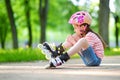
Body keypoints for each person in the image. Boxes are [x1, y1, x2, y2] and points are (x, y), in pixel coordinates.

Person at [42, 11, 106, 68]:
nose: (74, 30)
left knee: (82, 41)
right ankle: (56, 52)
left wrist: (73, 41)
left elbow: (82, 52)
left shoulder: (90, 35)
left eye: (75, 27)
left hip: (95, 61)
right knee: (74, 37)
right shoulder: (84, 35)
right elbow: (83, 52)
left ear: (83, 27)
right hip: (89, 60)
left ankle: (62, 59)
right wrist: (72, 40)